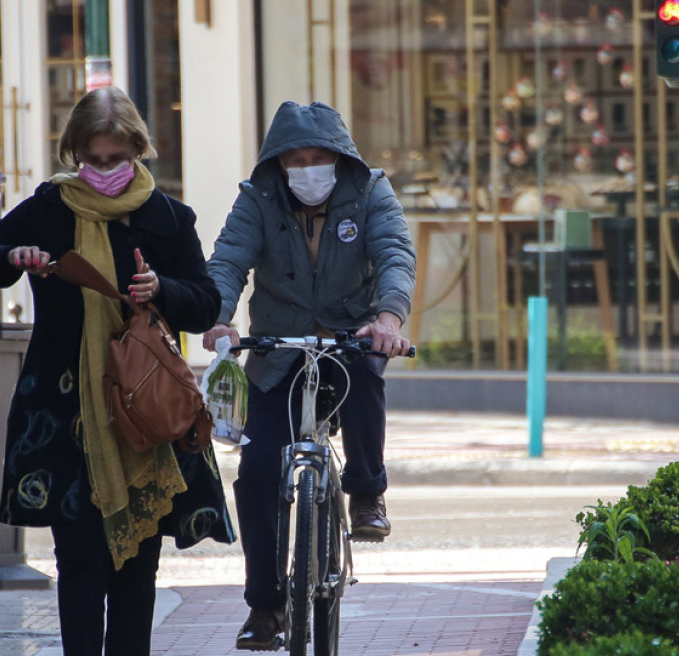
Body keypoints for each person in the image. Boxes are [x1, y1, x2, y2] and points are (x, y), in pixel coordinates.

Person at [0, 87, 234, 656]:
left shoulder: (168, 218)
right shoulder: (49, 209)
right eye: (92, 159)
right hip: (65, 415)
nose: (104, 170)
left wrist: (162, 289)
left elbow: (206, 303)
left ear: (138, 150)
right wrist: (11, 258)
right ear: (74, 152)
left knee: (138, 564)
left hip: (146, 415)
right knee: (79, 559)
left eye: (116, 158)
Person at [202, 101, 416, 650]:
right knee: (255, 472)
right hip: (278, 351)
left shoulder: (371, 191)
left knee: (365, 374)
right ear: (277, 163)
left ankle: (366, 493)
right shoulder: (257, 198)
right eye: (294, 159)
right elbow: (228, 260)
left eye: (318, 157)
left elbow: (395, 254)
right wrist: (218, 317)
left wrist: (388, 320)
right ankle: (265, 607)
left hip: (350, 338)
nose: (307, 169)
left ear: (340, 158)